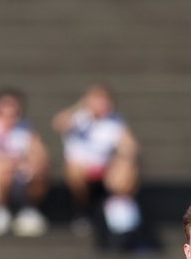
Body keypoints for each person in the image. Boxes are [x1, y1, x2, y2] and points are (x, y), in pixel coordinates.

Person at [51, 83, 142, 246]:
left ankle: (120, 211)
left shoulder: (115, 120)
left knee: (127, 167)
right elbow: (58, 123)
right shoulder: (79, 117)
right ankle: (83, 209)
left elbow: (130, 146)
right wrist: (82, 107)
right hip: (80, 167)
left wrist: (124, 158)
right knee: (74, 170)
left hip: (105, 169)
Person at [0, 88, 50, 237]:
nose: (10, 114)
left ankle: (27, 210)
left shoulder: (26, 127)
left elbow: (40, 154)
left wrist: (34, 165)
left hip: (19, 177)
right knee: (5, 172)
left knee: (39, 171)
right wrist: (20, 163)